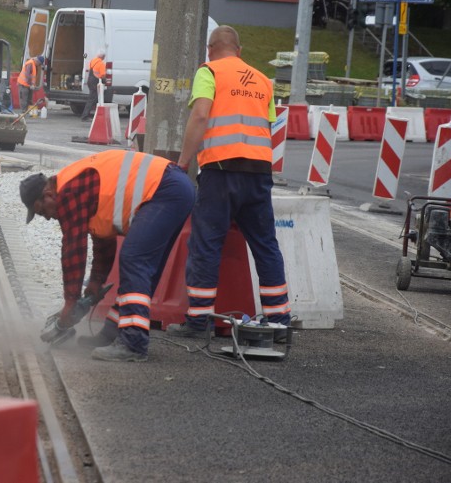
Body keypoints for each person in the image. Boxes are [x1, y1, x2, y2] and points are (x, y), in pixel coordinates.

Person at [170, 25, 291, 339]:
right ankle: (279, 321)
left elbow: (200, 116)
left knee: (207, 244)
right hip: (259, 172)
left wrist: (183, 162)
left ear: (210, 49)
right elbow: (268, 125)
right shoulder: (263, 81)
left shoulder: (209, 72)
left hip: (221, 171)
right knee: (265, 245)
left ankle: (198, 321)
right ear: (239, 51)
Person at [21, 149, 195, 362]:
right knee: (145, 268)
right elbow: (104, 242)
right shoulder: (77, 187)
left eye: (42, 212)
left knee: (134, 259)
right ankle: (112, 332)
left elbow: (73, 248)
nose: (47, 218)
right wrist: (96, 281)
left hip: (165, 190)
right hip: (174, 189)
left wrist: (70, 302)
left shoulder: (68, 193)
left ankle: (133, 344)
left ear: (47, 195)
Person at [81, 50, 106, 122]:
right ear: (103, 57)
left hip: (90, 80)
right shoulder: (101, 64)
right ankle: (85, 116)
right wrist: (105, 81)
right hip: (95, 82)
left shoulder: (93, 60)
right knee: (92, 99)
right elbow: (102, 75)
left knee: (93, 98)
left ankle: (88, 114)